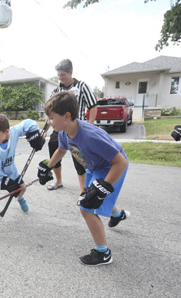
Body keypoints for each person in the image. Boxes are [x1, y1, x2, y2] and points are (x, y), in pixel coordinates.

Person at [38, 91, 129, 266]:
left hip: (111, 168)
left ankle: (104, 253)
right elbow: (61, 151)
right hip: (94, 168)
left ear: (66, 116)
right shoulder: (64, 132)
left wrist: (104, 186)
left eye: (51, 118)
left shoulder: (90, 136)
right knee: (91, 198)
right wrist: (48, 166)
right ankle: (118, 214)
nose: (49, 122)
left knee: (86, 207)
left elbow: (121, 162)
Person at [46, 59, 98, 193]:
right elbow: (50, 111)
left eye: (62, 74)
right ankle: (58, 181)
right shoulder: (57, 90)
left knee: (79, 158)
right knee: (54, 149)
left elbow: (92, 106)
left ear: (70, 72)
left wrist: (90, 126)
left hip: (77, 129)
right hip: (60, 128)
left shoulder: (82, 86)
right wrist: (46, 129)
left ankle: (83, 189)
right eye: (58, 75)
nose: (60, 77)